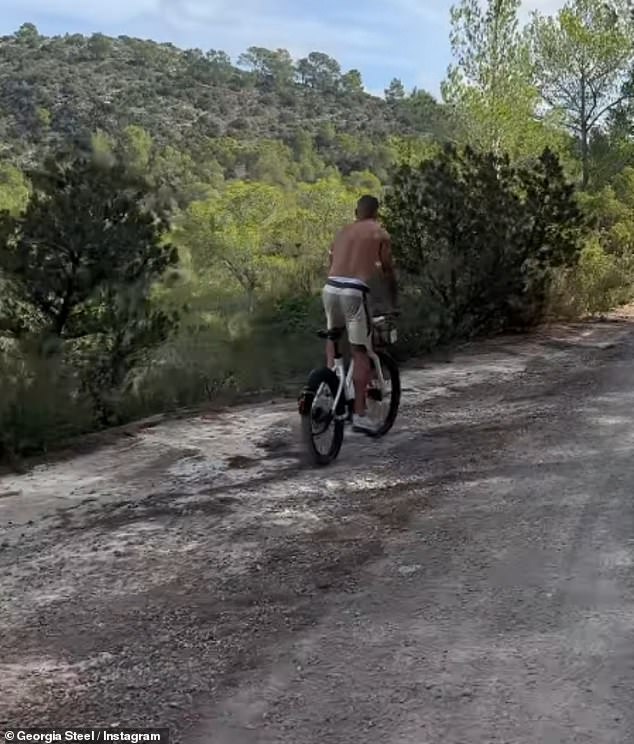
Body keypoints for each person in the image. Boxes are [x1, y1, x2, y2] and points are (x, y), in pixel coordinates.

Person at [322, 194, 398, 435]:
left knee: (333, 335)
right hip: (354, 293)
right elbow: (387, 271)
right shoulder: (380, 233)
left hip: (330, 288)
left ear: (356, 212)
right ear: (376, 213)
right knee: (360, 350)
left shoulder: (343, 231)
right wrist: (393, 301)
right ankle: (359, 413)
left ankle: (328, 386)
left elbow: (331, 259)